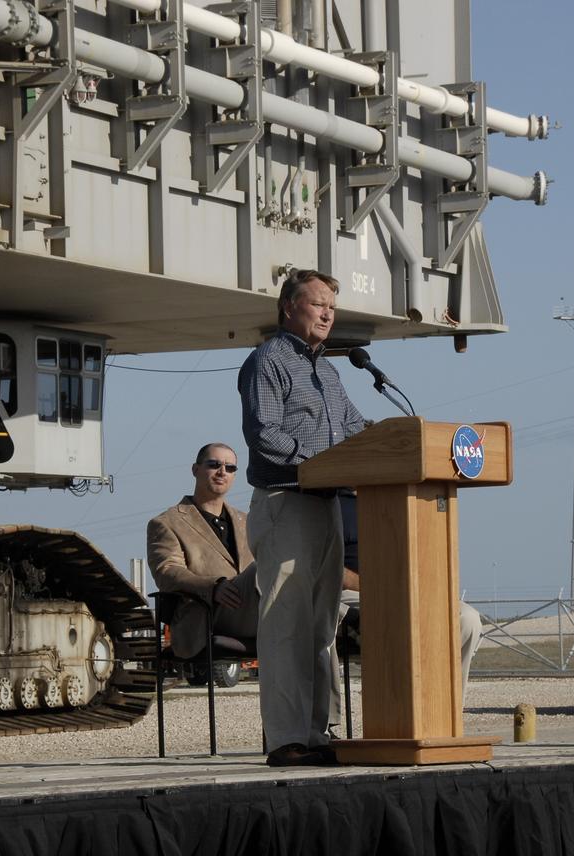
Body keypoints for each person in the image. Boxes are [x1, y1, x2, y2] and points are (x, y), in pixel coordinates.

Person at [238, 268, 366, 767]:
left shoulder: (330, 372)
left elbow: (356, 429)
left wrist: (393, 438)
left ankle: (317, 734)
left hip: (326, 504)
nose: (328, 313)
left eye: (332, 306)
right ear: (289, 307)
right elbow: (264, 434)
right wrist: (320, 459)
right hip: (285, 500)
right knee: (287, 624)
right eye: (318, 304)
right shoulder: (267, 361)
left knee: (320, 629)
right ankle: (287, 739)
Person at [329, 491, 483, 730]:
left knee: (467, 619)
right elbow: (325, 565)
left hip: (403, 591)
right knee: (375, 615)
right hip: (351, 595)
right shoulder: (330, 503)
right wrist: (373, 585)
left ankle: (446, 717)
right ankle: (347, 724)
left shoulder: (399, 499)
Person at [146, 443, 258, 659]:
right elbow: (167, 572)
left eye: (230, 467)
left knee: (295, 565)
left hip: (253, 611)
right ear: (195, 470)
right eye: (214, 464)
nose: (222, 471)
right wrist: (212, 587)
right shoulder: (167, 522)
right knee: (268, 566)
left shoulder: (248, 522)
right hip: (208, 615)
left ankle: (330, 621)